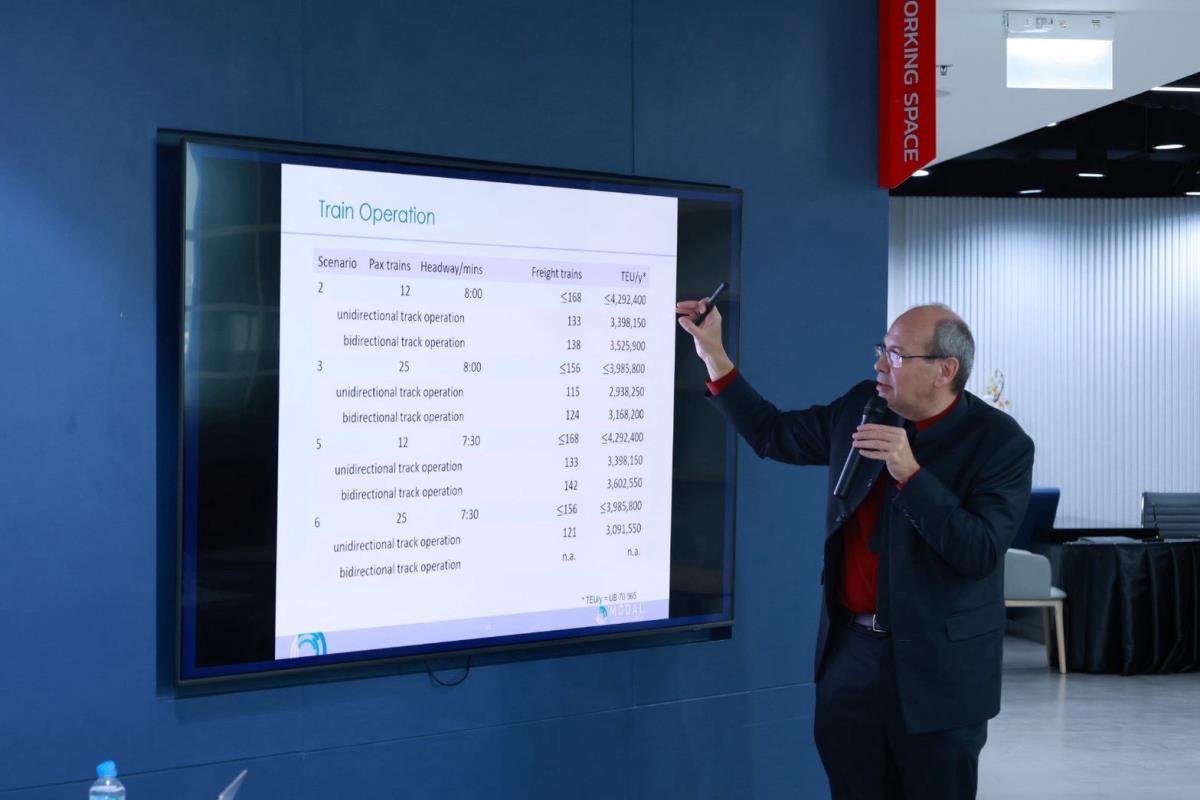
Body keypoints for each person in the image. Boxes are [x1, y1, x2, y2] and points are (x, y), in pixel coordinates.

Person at [676, 299, 1034, 800]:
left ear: (945, 370)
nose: (880, 364)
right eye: (881, 350)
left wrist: (911, 475)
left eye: (896, 355)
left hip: (937, 672)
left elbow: (979, 551)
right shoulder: (863, 407)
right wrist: (713, 353)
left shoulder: (1000, 443)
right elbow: (773, 434)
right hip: (851, 657)